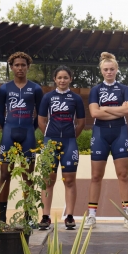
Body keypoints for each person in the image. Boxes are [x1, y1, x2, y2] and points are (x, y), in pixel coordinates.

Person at [85, 52, 128, 229]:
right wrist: (116, 109)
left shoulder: (124, 89)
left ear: (116, 70)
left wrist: (105, 107)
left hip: (120, 132)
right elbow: (94, 113)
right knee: (96, 176)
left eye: (112, 69)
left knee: (123, 175)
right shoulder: (95, 90)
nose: (109, 72)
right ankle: (91, 216)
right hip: (100, 133)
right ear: (101, 71)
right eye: (106, 69)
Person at [0, 52, 43, 223]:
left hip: (28, 134)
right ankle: (2, 217)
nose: (20, 68)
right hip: (9, 133)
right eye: (17, 65)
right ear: (11, 67)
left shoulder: (35, 88)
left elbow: (41, 113)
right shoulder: (4, 88)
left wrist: (31, 128)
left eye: (23, 65)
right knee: (4, 175)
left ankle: (29, 216)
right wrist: (7, 127)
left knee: (28, 177)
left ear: (28, 67)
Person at [37, 66, 86, 230]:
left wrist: (70, 136)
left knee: (70, 180)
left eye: (65, 77)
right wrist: (50, 137)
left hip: (69, 142)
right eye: (59, 78)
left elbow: (81, 122)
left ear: (70, 79)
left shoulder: (76, 98)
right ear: (54, 79)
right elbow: (41, 120)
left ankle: (70, 216)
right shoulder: (47, 97)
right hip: (50, 142)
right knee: (48, 180)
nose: (62, 80)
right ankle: (45, 215)